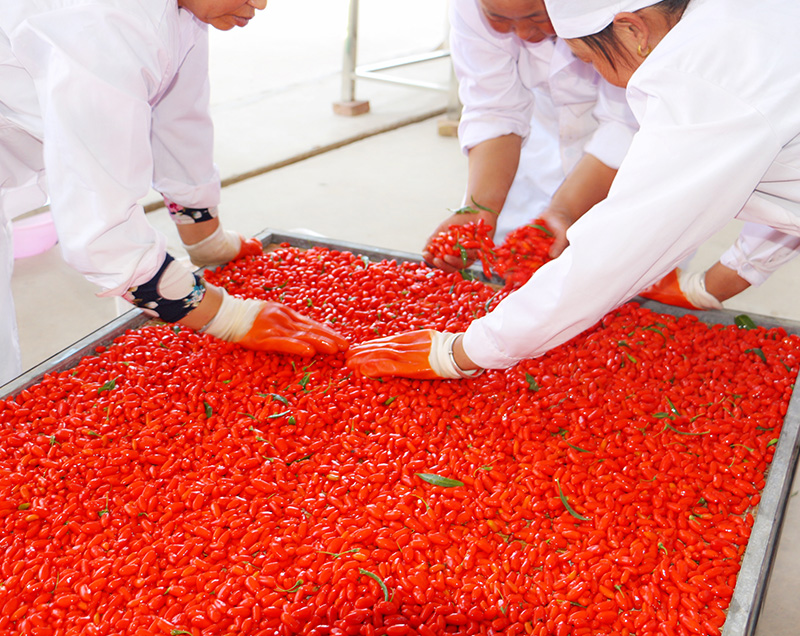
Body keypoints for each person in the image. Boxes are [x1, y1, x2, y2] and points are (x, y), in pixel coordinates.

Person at [346, 0, 800, 379]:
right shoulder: (731, 24)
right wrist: (721, 280)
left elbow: (617, 249)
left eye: (586, 58)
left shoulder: (703, 83)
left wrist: (461, 352)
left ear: (631, 28)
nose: (596, 74)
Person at [0, 0, 346, 386]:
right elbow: (102, 232)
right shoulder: (104, 24)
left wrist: (206, 239)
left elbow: (178, 117)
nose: (260, 3)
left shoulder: (185, 10)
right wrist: (229, 317)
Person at [424, 0, 639, 271]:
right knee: (521, 272)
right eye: (498, 18)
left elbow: (628, 125)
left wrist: (565, 209)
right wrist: (481, 208)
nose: (524, 33)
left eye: (536, 17)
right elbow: (493, 107)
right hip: (541, 135)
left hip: (629, 156)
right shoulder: (468, 7)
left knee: (622, 271)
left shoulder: (624, 14)